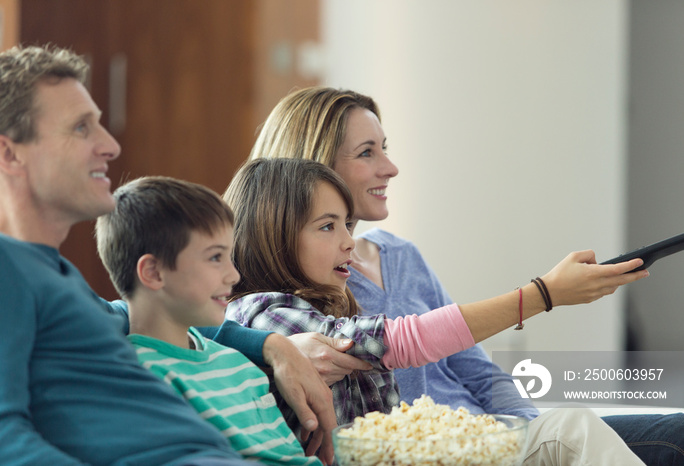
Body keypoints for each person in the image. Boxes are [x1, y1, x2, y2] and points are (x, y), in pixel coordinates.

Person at [247, 85, 684, 465]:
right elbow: (408, 340)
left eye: (385, 146)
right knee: (583, 427)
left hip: (496, 439)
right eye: (367, 152)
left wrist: (529, 435)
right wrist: (545, 294)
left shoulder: (400, 255)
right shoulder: (291, 305)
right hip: (444, 452)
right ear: (314, 168)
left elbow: (476, 368)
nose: (391, 167)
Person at [0, 44, 335, 465]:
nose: (110, 145)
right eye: (81, 128)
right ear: (8, 155)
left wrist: (273, 345)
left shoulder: (51, 277)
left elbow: (143, 310)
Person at [95, 175, 323, 466]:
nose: (234, 275)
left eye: (229, 256)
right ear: (153, 273)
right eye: (215, 257)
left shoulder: (241, 367)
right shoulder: (137, 379)